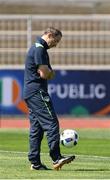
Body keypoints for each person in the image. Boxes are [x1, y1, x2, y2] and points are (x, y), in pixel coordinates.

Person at [23, 27, 75, 171]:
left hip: (30, 92)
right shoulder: (39, 49)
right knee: (52, 123)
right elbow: (44, 74)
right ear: (50, 35)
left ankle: (35, 163)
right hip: (37, 92)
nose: (56, 44)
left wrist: (48, 72)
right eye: (56, 41)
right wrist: (51, 73)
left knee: (36, 129)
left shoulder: (36, 48)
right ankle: (56, 158)